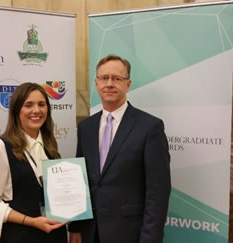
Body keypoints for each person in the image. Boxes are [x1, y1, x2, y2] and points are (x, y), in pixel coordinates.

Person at [68, 54, 171, 243]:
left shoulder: (150, 127)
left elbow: (158, 192)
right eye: (104, 78)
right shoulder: (86, 128)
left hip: (129, 234)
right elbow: (79, 181)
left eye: (117, 78)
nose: (109, 83)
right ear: (96, 83)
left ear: (128, 84)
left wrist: (150, 239)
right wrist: (75, 227)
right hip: (90, 232)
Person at [0, 82, 67, 243]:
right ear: (17, 110)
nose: (36, 110)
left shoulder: (50, 145)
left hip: (54, 236)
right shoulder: (1, 147)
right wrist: (31, 221)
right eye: (28, 105)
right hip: (21, 236)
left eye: (41, 104)